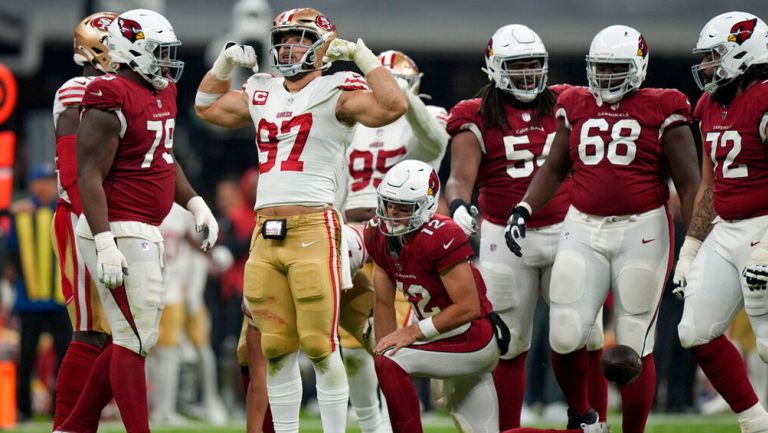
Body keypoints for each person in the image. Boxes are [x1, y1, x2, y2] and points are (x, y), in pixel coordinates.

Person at [194, 7, 407, 433]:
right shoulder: (262, 89)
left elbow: (393, 104)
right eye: (285, 38)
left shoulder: (337, 89)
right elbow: (206, 107)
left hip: (315, 227)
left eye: (301, 38)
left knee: (320, 345)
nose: (289, 46)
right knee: (276, 348)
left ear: (324, 47)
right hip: (264, 233)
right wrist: (225, 62)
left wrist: (363, 57)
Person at [505, 25, 700, 433]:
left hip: (642, 228)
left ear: (638, 67)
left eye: (616, 68)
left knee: (632, 344)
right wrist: (525, 206)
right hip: (581, 224)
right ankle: (585, 419)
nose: (607, 77)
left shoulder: (665, 106)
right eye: (601, 68)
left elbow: (689, 182)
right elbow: (555, 165)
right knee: (564, 332)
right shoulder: (574, 102)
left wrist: (696, 242)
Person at [54, 9, 218, 433]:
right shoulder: (108, 94)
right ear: (131, 51)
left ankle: (73, 427)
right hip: (120, 226)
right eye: (157, 53)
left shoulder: (163, 92)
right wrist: (104, 240)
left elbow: (162, 158)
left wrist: (196, 202)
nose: (165, 62)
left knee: (133, 334)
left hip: (146, 227)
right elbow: (87, 172)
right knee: (133, 338)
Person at [444, 24, 606, 430]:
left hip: (569, 228)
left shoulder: (567, 102)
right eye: (518, 66)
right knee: (510, 343)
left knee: (584, 335)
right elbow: (459, 177)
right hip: (504, 236)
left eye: (535, 64)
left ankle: (588, 419)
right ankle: (509, 429)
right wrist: (460, 206)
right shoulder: (473, 114)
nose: (528, 74)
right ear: (495, 67)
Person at [340, 49, 449, 433]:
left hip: (403, 237)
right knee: (351, 348)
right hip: (352, 232)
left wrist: (407, 100)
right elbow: (335, 183)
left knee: (393, 344)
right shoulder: (352, 121)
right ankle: (375, 427)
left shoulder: (426, 117)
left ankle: (443, 381)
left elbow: (436, 143)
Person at [674, 11, 768, 432]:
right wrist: (691, 247)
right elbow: (710, 183)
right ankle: (754, 422)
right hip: (727, 229)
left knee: (766, 348)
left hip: (764, 225)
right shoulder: (710, 104)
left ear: (744, 54)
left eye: (715, 56)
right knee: (694, 331)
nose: (707, 66)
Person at [367, 159, 504, 433]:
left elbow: (468, 307)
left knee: (390, 362)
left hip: (472, 336)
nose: (392, 212)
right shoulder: (377, 234)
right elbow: (382, 302)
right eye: (389, 203)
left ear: (425, 206)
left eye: (403, 207)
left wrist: (414, 333)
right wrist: (383, 349)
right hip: (439, 340)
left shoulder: (440, 234)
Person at [50, 12, 116, 430]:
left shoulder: (116, 88)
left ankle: (76, 424)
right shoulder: (79, 89)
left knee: (124, 335)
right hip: (83, 215)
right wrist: (96, 226)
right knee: (93, 332)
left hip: (108, 216)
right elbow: (75, 168)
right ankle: (66, 425)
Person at [5, 163, 71, 421]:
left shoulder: (65, 210)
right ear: (32, 185)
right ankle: (23, 409)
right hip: (29, 301)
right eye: (40, 181)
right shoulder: (20, 213)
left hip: (61, 300)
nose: (45, 186)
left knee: (66, 357)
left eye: (48, 181)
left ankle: (61, 408)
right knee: (28, 356)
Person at [151, 203, 226, 425]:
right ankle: (161, 406)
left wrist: (194, 290)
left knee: (200, 347)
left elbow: (198, 248)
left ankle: (211, 401)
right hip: (155, 288)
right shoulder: (144, 204)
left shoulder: (184, 210)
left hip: (181, 289)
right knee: (156, 351)